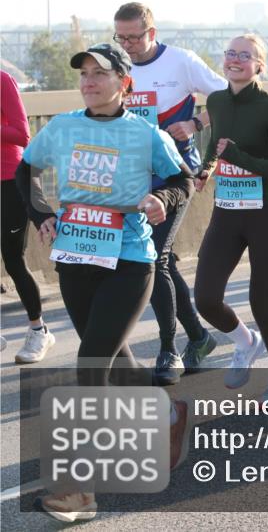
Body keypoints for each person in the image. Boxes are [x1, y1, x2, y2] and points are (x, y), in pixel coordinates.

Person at [16, 42, 192, 521]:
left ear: (123, 83)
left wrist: (161, 200)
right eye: (84, 74)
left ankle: (78, 491)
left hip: (129, 260)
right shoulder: (63, 127)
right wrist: (41, 213)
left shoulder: (145, 133)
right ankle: (168, 414)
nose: (89, 82)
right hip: (75, 257)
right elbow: (26, 169)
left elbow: (181, 180)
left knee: (91, 363)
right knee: (115, 362)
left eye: (100, 74)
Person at [113, 2, 224, 384]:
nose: (127, 45)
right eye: (120, 37)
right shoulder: (116, 64)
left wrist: (196, 122)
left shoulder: (181, 61)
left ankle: (168, 350)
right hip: (134, 178)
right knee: (163, 261)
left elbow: (233, 97)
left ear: (152, 33)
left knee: (155, 259)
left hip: (176, 175)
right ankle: (199, 337)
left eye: (133, 37)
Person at [193, 34, 268, 404]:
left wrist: (241, 159)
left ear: (259, 66)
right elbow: (216, 142)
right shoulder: (216, 101)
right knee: (205, 299)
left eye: (245, 55)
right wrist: (206, 168)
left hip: (264, 216)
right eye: (230, 53)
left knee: (262, 305)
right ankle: (245, 342)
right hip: (226, 213)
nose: (235, 60)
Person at [2, 71, 49, 363]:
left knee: (13, 260)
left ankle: (38, 330)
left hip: (8, 181)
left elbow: (22, 134)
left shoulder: (2, 80)